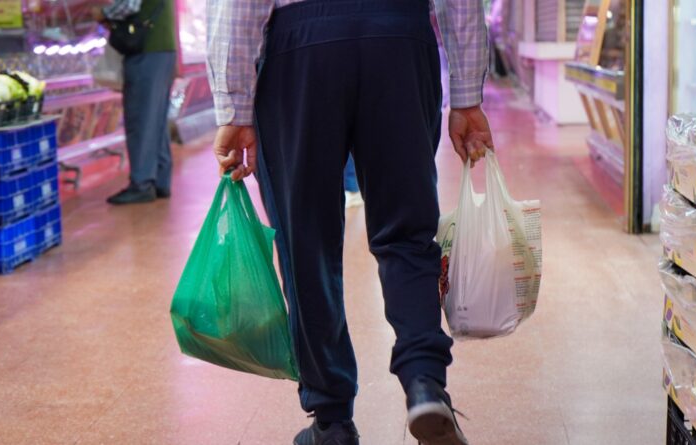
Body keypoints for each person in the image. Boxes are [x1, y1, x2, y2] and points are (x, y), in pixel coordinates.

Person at [208, 1, 494, 444]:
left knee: (306, 241)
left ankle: (332, 418)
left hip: (301, 49)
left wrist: (234, 107)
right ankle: (424, 381)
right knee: (407, 230)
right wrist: (467, 96)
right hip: (399, 38)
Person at [91, 0, 177, 205]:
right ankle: (160, 180)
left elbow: (129, 4)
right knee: (156, 118)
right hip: (162, 50)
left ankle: (142, 184)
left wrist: (102, 12)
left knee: (142, 118)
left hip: (146, 50)